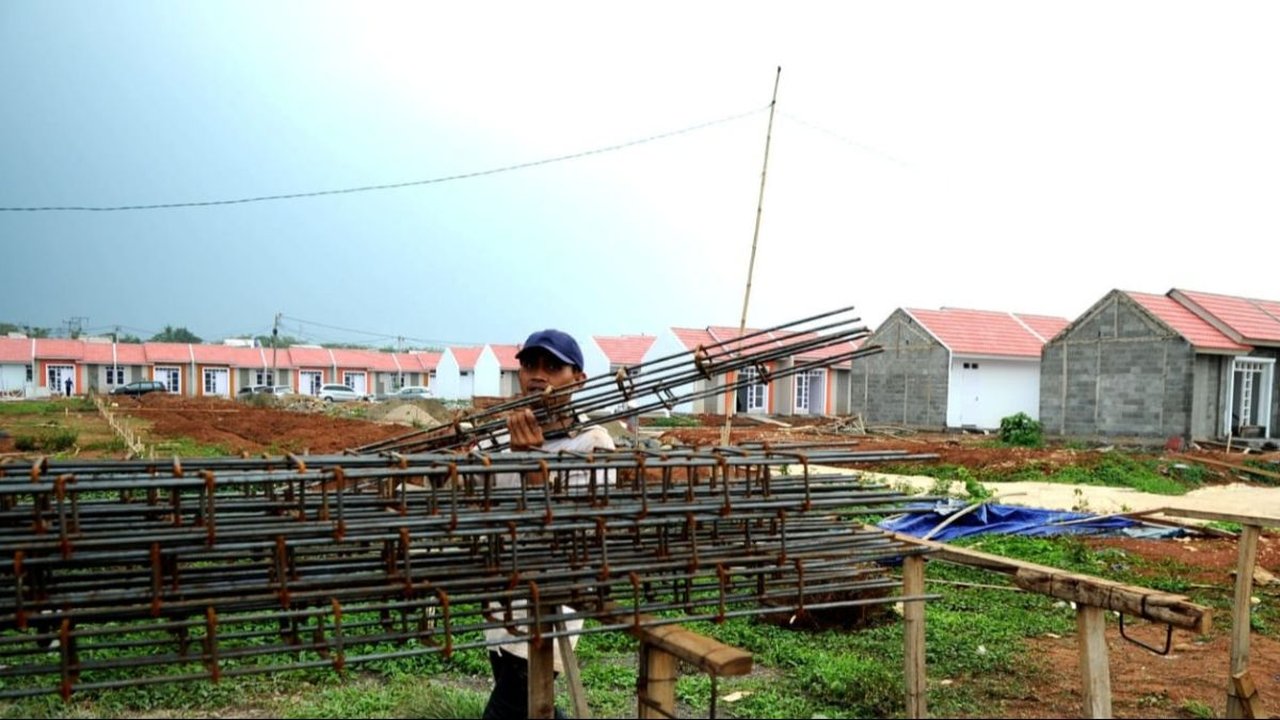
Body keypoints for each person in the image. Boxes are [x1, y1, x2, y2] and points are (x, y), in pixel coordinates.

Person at [482, 328, 615, 720]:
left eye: (553, 366)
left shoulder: (592, 443)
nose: (538, 375)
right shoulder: (498, 436)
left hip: (550, 606)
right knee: (532, 709)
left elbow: (576, 532)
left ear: (578, 379)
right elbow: (467, 487)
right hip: (501, 600)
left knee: (507, 710)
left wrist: (532, 461)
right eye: (530, 365)